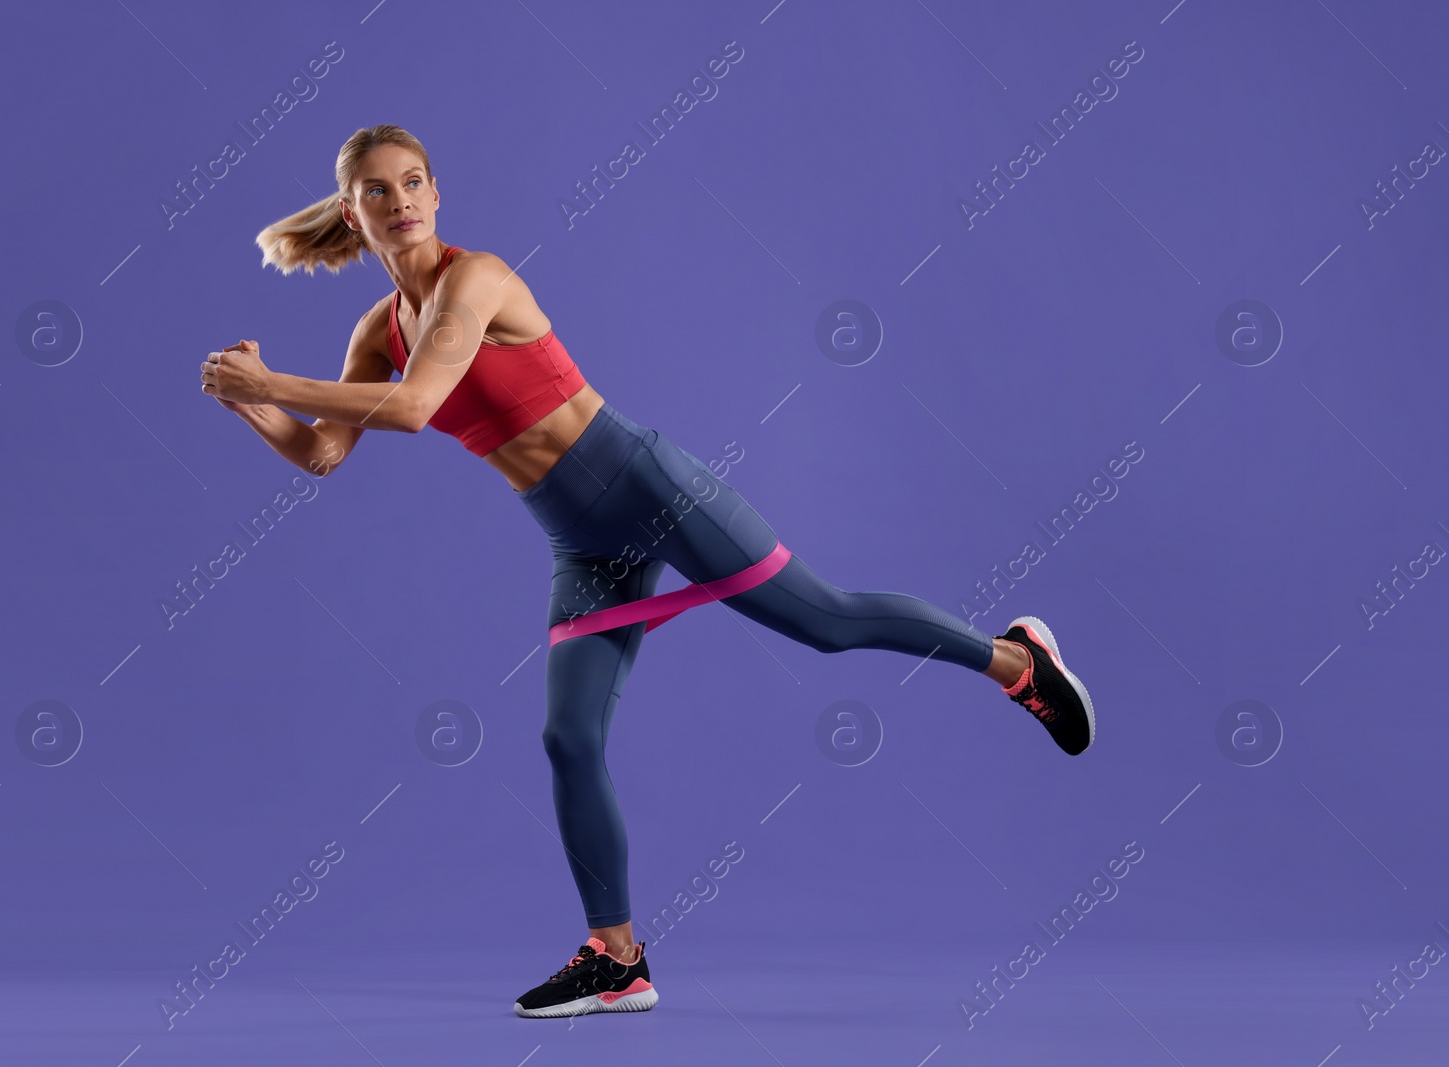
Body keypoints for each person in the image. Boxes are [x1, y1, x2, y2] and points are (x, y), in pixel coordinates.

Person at [200, 124, 1095, 1020]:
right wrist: (251, 403)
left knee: (825, 621)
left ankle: (1018, 660)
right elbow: (324, 456)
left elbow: (420, 404)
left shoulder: (476, 279)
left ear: (438, 195)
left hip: (650, 485)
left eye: (413, 183)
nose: (399, 202)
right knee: (569, 739)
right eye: (377, 191)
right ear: (352, 215)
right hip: (580, 539)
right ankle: (616, 958)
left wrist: (273, 380)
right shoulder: (376, 331)